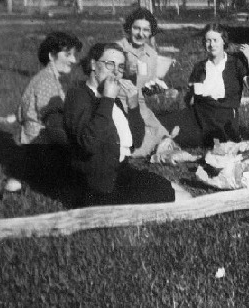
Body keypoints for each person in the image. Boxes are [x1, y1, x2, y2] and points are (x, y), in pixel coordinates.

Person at [64, 43, 175, 206]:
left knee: (174, 187)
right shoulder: (78, 96)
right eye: (110, 64)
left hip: (119, 172)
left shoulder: (112, 97)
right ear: (93, 64)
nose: (116, 72)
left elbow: (136, 141)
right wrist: (107, 100)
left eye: (121, 67)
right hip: (96, 185)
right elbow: (88, 143)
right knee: (175, 197)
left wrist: (133, 106)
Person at [1, 32, 82, 193]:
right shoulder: (46, 82)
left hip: (35, 144)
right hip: (41, 147)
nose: (73, 60)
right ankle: (23, 178)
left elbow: (20, 113)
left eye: (73, 55)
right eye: (68, 55)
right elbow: (53, 122)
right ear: (52, 55)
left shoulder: (45, 78)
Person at [165, 24, 249, 147]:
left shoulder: (236, 63)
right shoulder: (200, 66)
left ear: (223, 42)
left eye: (215, 40)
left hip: (224, 116)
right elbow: (191, 98)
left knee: (189, 138)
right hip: (200, 114)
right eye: (208, 41)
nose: (212, 44)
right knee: (165, 122)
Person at [116, 7, 170, 156]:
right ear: (129, 28)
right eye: (136, 28)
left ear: (151, 32)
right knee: (140, 143)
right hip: (118, 105)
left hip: (140, 106)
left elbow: (147, 84)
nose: (140, 34)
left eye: (146, 30)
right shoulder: (116, 50)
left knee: (162, 135)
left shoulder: (151, 54)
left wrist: (152, 90)